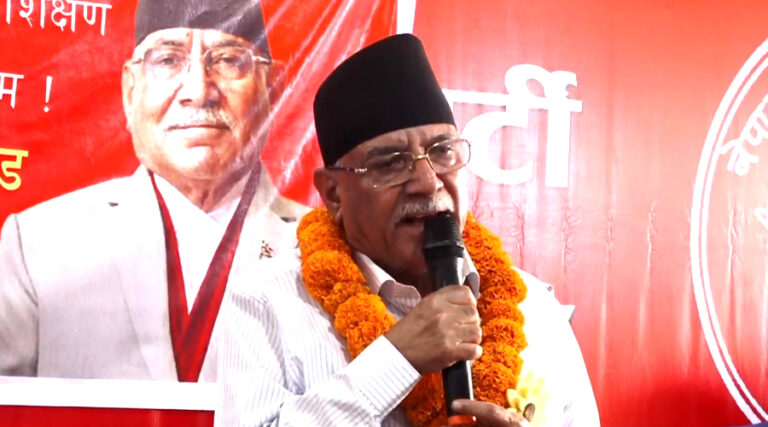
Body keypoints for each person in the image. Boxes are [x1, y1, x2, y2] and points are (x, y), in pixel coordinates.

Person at [216, 34, 600, 426]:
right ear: (333, 193)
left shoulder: (534, 308)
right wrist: (396, 359)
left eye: (443, 151)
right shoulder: (266, 303)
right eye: (391, 163)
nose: (428, 182)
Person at [0, 0, 306, 382]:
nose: (198, 91)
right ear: (130, 92)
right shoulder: (37, 244)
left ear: (272, 90)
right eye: (168, 60)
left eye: (228, 60)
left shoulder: (329, 246)